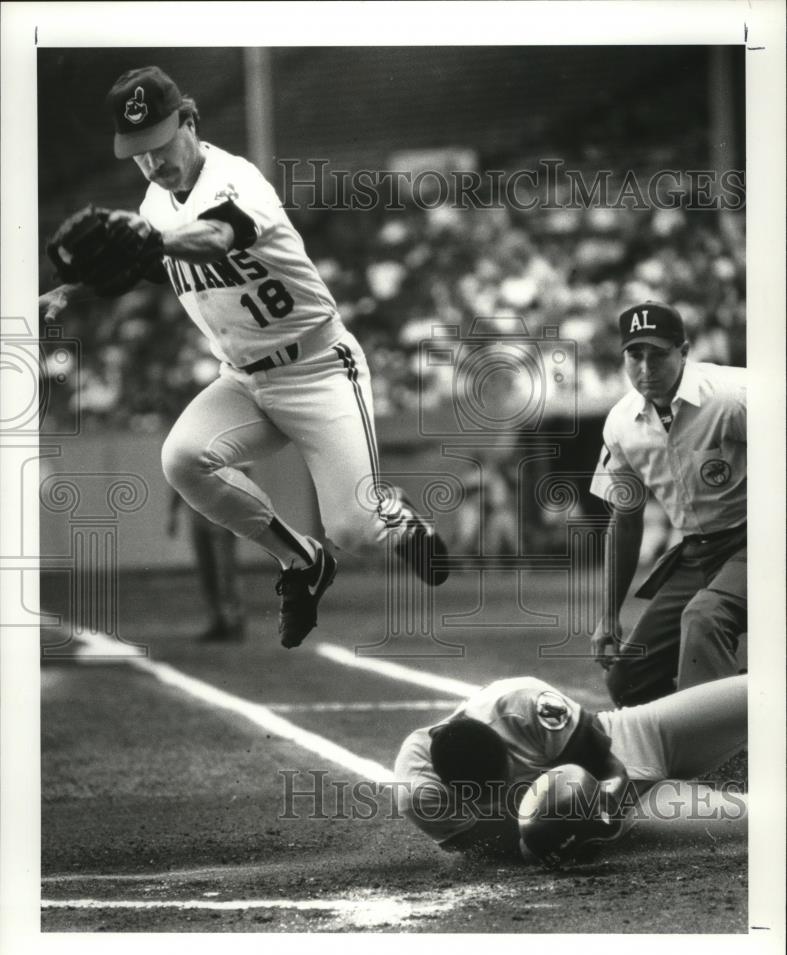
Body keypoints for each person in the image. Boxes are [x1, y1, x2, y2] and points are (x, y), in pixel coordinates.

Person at [39, 66, 448, 649]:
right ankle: (301, 561)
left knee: (355, 530)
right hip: (245, 381)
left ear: (189, 120)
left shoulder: (235, 177)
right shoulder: (155, 203)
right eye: (138, 152)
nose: (152, 161)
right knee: (182, 460)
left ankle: (395, 517)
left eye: (159, 142)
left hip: (318, 368)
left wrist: (148, 241)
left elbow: (217, 237)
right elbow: (140, 267)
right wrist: (67, 291)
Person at [393, 673, 746, 862]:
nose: (508, 788)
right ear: (455, 791)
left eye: (507, 776)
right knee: (757, 820)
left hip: (634, 739)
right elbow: (511, 850)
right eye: (494, 793)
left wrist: (607, 798)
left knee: (759, 693)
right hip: (628, 818)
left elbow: (610, 765)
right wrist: (555, 839)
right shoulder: (421, 795)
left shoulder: (519, 702)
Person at [589, 301, 746, 706]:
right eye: (634, 355)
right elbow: (625, 521)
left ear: (685, 351)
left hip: (757, 540)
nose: (645, 368)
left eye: (658, 354)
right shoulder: (621, 424)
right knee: (628, 682)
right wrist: (609, 614)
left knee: (704, 618)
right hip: (697, 552)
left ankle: (725, 752)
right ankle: (737, 699)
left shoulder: (732, 397)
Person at [167, 488, 245, 642]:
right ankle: (218, 620)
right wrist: (172, 512)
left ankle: (234, 621)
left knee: (225, 571)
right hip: (198, 515)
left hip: (222, 515)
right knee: (207, 571)